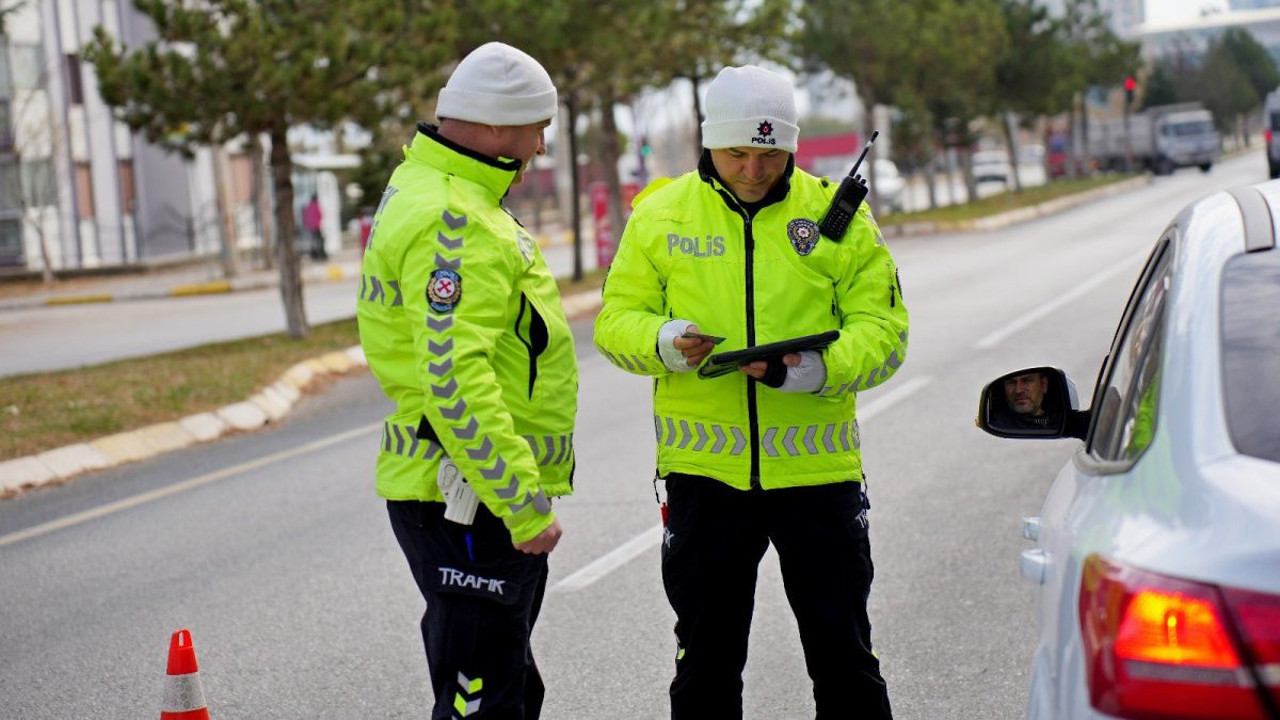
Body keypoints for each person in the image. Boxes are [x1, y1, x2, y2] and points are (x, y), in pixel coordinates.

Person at [593, 65, 908, 720]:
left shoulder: (834, 216)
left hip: (818, 477)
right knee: (705, 664)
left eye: (770, 153)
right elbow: (613, 323)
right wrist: (665, 340)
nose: (754, 169)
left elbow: (885, 330)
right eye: (737, 152)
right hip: (705, 480)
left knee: (845, 659)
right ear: (709, 141)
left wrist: (817, 369)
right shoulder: (659, 215)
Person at [356, 41, 575, 720]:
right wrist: (521, 503)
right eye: (537, 128)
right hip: (471, 501)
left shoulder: (430, 189)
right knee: (485, 698)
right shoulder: (458, 219)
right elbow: (453, 378)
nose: (540, 146)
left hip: (460, 493)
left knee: (498, 683)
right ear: (498, 126)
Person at [303, 194, 326, 260]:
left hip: (310, 227)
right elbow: (320, 214)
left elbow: (305, 216)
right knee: (319, 240)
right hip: (316, 226)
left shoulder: (308, 206)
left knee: (313, 241)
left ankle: (314, 254)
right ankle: (320, 254)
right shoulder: (316, 205)